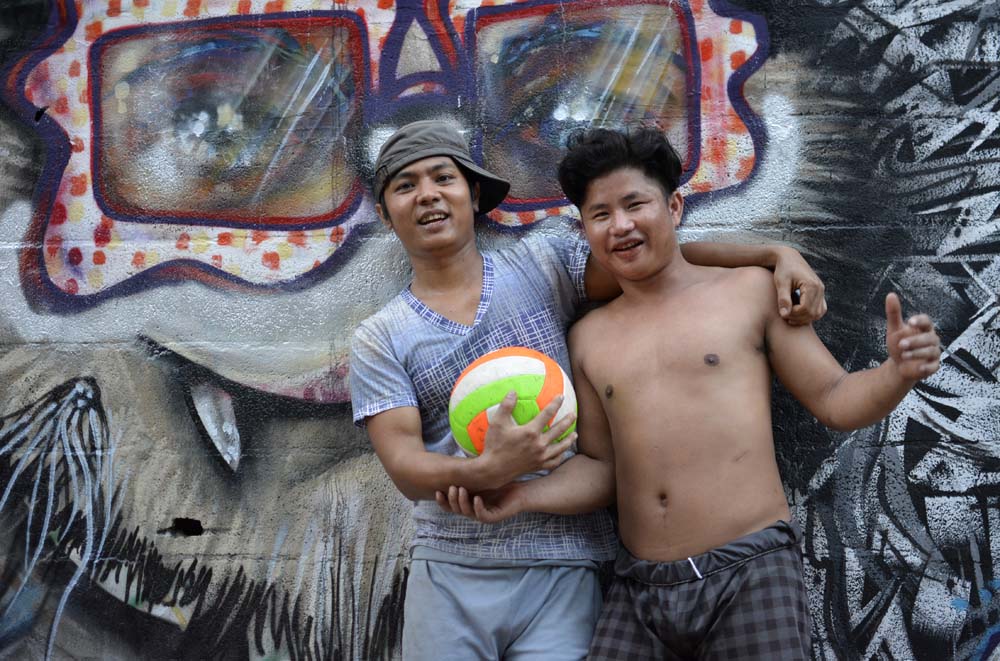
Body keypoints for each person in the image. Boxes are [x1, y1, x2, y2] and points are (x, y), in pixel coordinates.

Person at [436, 127, 942, 660]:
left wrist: (896, 373)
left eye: (636, 204)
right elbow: (603, 470)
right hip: (638, 588)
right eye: (601, 214)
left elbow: (836, 398)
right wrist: (521, 496)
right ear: (585, 230)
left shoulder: (749, 292)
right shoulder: (587, 338)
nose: (621, 225)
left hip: (750, 570)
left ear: (674, 207)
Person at [348, 119, 828, 660]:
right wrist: (485, 472)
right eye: (405, 186)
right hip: (452, 566)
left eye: (443, 178)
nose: (428, 195)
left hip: (566, 563)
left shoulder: (542, 265)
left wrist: (773, 255)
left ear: (475, 195)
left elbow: (659, 260)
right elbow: (405, 467)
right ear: (385, 214)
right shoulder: (379, 338)